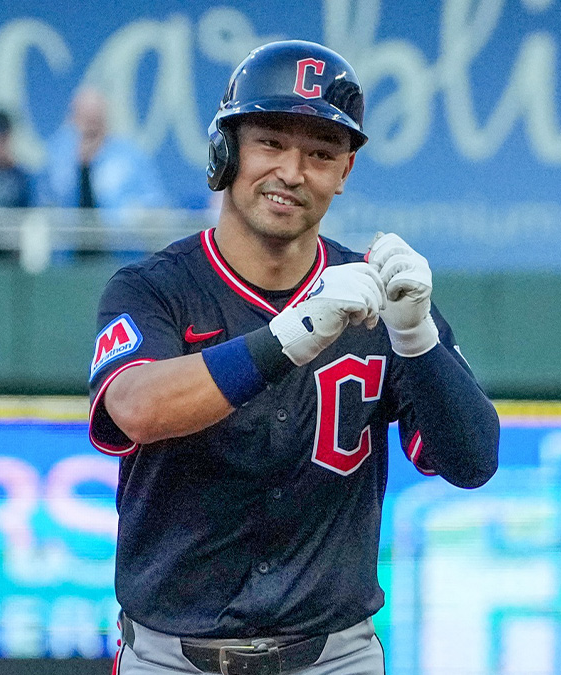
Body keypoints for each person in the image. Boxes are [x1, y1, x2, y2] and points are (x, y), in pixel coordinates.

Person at [87, 41, 499, 674]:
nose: (292, 172)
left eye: (321, 154)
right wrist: (287, 339)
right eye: (271, 143)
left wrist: (416, 336)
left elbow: (472, 462)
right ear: (227, 150)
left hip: (333, 655)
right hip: (171, 657)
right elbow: (136, 408)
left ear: (345, 172)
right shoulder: (154, 286)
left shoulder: (375, 293)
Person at [38, 87, 166, 214]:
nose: (90, 128)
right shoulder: (56, 157)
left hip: (118, 234)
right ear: (71, 119)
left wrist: (136, 215)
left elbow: (156, 205)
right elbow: (41, 204)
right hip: (68, 232)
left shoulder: (130, 158)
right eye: (84, 119)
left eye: (95, 121)